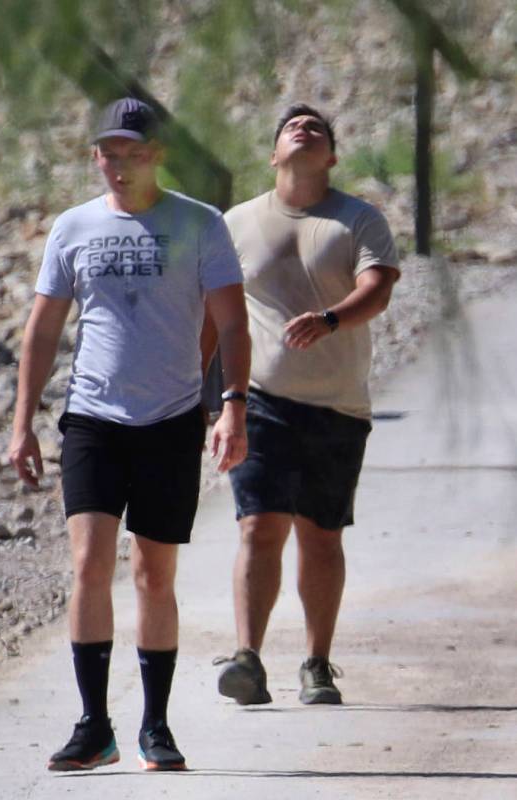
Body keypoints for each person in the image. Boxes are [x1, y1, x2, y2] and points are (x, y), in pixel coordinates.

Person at [8, 97, 250, 772]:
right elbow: (45, 328)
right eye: (109, 152)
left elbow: (232, 322)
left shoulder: (198, 224)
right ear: (96, 157)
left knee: (152, 573)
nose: (119, 164)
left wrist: (231, 405)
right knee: (87, 563)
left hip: (171, 417)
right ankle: (93, 725)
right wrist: (22, 421)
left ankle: (156, 725)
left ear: (159, 155)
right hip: (92, 416)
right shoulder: (73, 227)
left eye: (133, 152)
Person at [215, 102, 399, 707]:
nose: (304, 128)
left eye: (316, 127)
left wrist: (329, 319)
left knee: (321, 534)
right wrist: (215, 400)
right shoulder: (237, 222)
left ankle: (317, 663)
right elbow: (214, 315)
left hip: (338, 406)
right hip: (261, 400)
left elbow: (377, 290)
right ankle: (247, 658)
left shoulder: (358, 219)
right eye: (291, 126)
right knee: (257, 526)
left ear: (332, 156)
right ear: (273, 155)